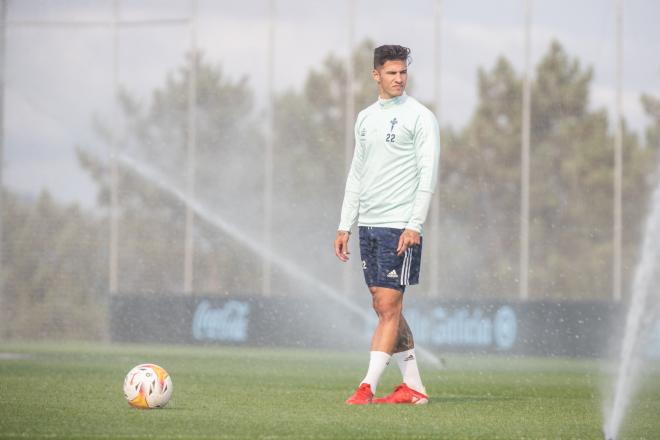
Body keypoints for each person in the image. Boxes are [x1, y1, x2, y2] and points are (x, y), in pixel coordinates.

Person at [334, 44, 440, 405]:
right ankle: (413, 387)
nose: (399, 79)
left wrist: (415, 224)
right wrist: (345, 223)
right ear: (376, 75)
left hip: (400, 226)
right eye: (392, 73)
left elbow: (428, 175)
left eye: (403, 72)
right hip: (369, 226)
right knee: (382, 306)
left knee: (389, 308)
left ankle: (367, 387)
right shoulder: (365, 118)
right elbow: (357, 173)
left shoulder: (420, 116)